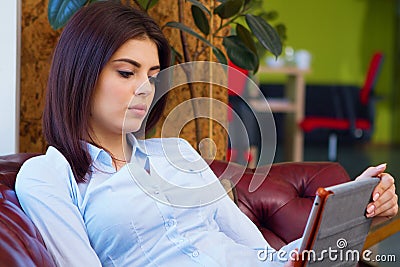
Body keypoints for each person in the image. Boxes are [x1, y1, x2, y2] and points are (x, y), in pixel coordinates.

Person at [16, 1, 398, 267]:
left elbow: (261, 252)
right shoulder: (50, 175)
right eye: (126, 72)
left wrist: (352, 214)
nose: (146, 90)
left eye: (152, 76)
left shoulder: (178, 153)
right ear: (80, 74)